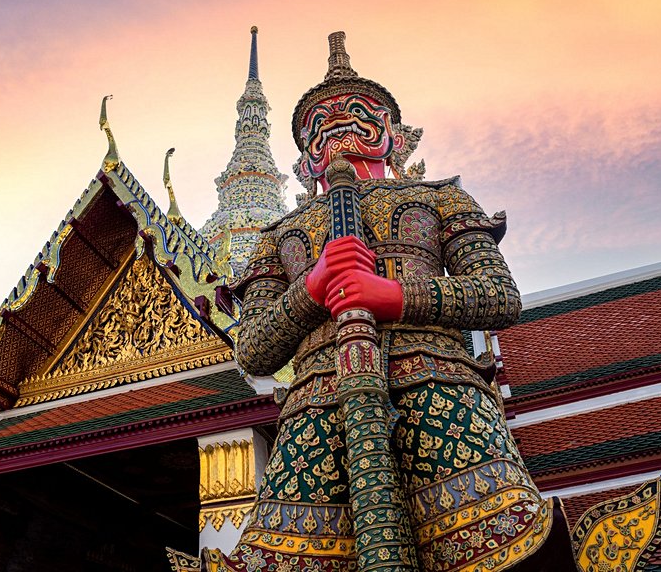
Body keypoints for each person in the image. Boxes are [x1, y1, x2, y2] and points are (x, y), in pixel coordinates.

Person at [204, 31, 576, 572]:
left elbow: (499, 295)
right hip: (315, 409)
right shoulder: (277, 236)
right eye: (319, 124)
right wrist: (313, 287)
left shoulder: (439, 198)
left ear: (394, 136)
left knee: (499, 545)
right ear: (303, 159)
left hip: (438, 387)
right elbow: (254, 350)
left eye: (358, 113)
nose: (338, 126)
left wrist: (394, 295)